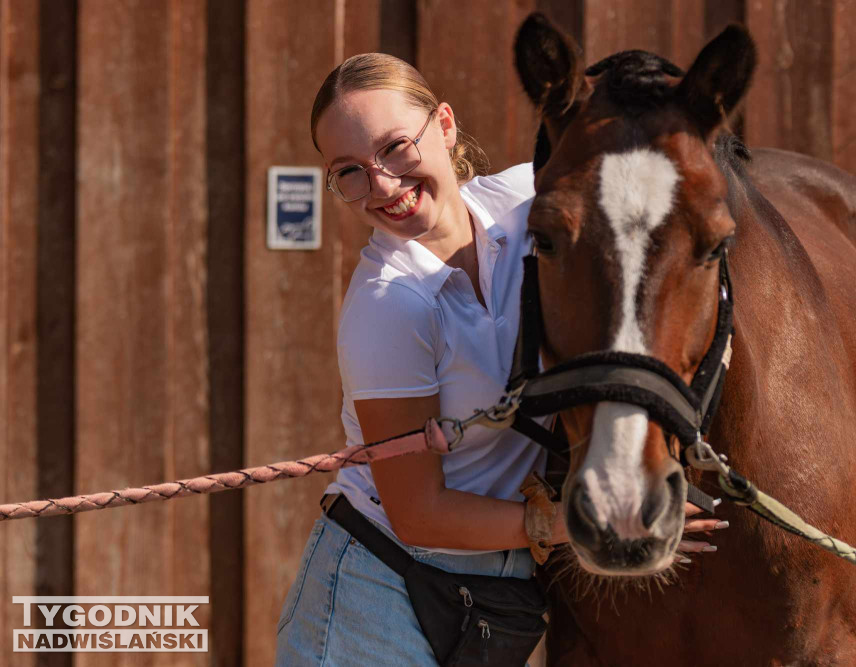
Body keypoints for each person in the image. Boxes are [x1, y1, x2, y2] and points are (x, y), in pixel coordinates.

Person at [274, 53, 723, 666]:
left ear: (447, 126)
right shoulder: (389, 306)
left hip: (482, 600)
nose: (381, 184)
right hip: (376, 598)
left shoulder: (525, 203)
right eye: (348, 171)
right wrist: (585, 524)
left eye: (396, 147)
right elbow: (418, 513)